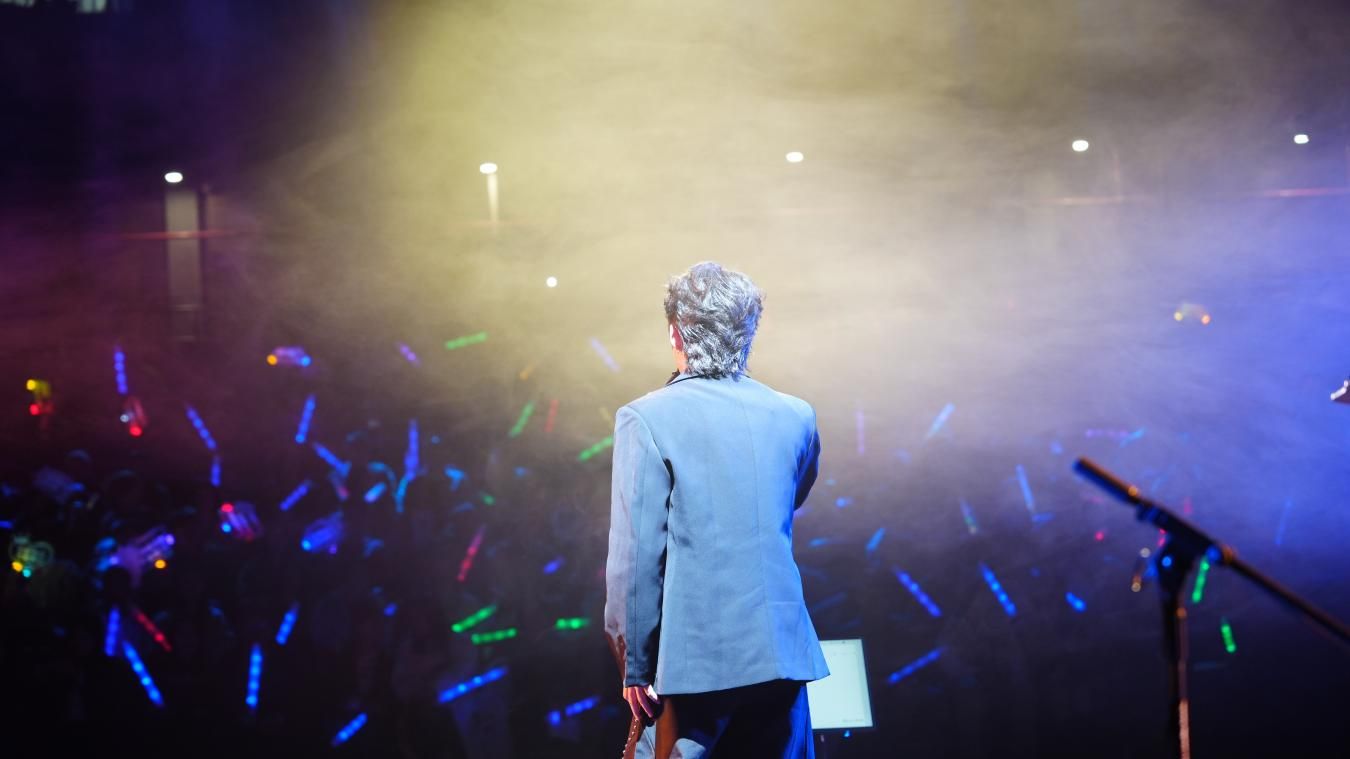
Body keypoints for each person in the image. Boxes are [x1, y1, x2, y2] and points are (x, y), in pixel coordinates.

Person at [604, 262, 829, 759]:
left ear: (675, 332)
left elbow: (636, 557)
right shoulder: (796, 415)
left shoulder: (645, 417)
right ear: (748, 333)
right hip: (782, 655)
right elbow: (791, 498)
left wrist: (634, 665)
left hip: (694, 663)